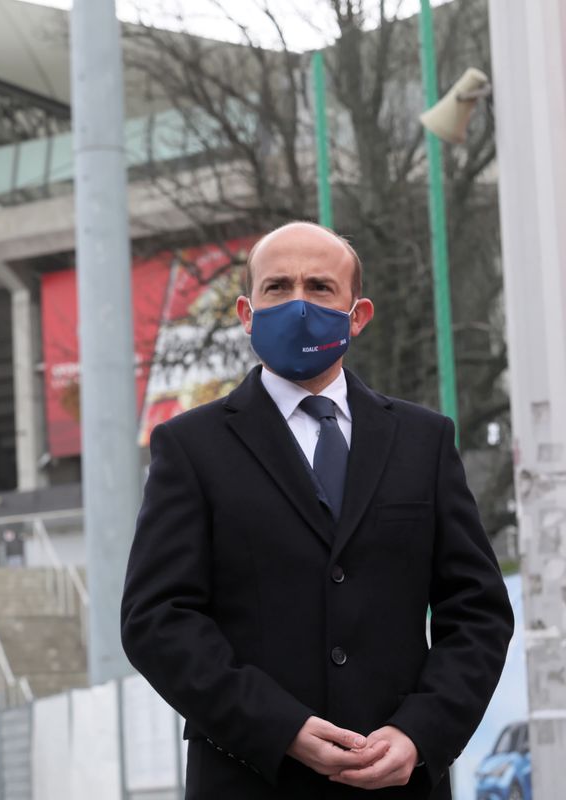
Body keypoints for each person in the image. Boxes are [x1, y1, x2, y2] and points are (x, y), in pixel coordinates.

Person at [120, 221, 513, 799]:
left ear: (357, 315)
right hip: (250, 778)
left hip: (399, 783)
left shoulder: (423, 441)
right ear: (247, 313)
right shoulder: (189, 447)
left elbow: (477, 610)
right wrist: (281, 728)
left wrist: (419, 733)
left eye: (320, 287)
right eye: (277, 287)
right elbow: (157, 619)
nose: (298, 303)